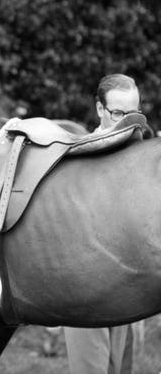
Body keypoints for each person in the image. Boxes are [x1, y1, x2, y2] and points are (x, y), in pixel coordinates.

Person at [63, 73, 143, 374]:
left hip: (133, 291)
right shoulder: (78, 155)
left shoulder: (143, 156)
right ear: (100, 109)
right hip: (87, 291)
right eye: (118, 114)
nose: (127, 123)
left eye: (133, 114)